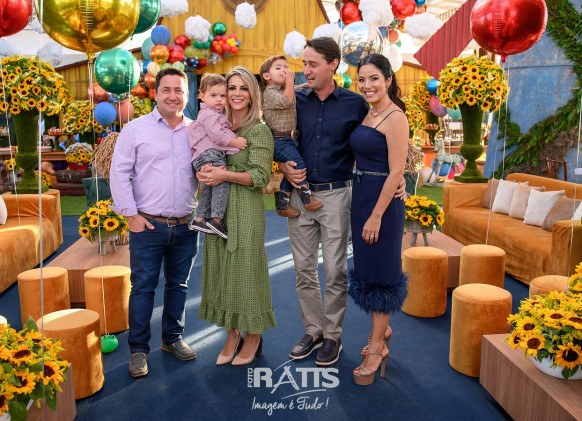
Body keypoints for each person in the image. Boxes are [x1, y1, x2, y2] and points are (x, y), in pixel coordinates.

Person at [279, 37, 406, 367]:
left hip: (337, 196)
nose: (306, 70)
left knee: (336, 271)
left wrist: (399, 175)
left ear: (333, 64)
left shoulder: (356, 103)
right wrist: (282, 166)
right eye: (304, 63)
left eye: (312, 64)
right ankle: (313, 331)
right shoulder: (295, 100)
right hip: (300, 195)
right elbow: (278, 138)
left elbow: (379, 141)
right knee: (303, 270)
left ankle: (332, 336)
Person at [109, 67, 198, 378]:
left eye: (179, 90)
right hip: (147, 225)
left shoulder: (196, 130)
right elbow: (118, 173)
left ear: (187, 95)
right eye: (166, 90)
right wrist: (130, 216)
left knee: (179, 285)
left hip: (186, 225)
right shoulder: (135, 129)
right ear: (156, 94)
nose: (173, 96)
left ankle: (172, 339)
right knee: (143, 288)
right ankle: (138, 350)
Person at [196, 66, 276, 366]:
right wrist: (203, 172)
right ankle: (232, 335)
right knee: (220, 270)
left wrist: (224, 175)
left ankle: (253, 335)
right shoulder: (217, 126)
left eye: (243, 88)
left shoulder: (258, 130)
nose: (237, 94)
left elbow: (261, 176)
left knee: (247, 271)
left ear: (252, 94)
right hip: (217, 211)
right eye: (232, 88)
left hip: (246, 208)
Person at [349, 53, 408, 385]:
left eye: (374, 78)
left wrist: (375, 216)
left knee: (383, 276)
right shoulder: (369, 111)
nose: (367, 85)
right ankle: (381, 329)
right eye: (362, 79)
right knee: (368, 270)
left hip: (381, 205)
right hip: (362, 196)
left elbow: (397, 171)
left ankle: (376, 348)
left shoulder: (396, 117)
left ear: (388, 80)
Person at [260, 55, 323, 217]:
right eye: (278, 68)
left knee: (291, 171)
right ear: (267, 76)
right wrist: (290, 80)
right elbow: (287, 101)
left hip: (290, 139)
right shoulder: (270, 92)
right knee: (298, 165)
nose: (284, 71)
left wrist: (304, 85)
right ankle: (307, 199)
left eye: (286, 67)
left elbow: (294, 90)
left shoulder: (283, 90)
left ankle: (282, 203)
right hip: (279, 140)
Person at [188, 73, 248, 238]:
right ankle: (216, 220)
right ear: (202, 96)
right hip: (210, 154)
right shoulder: (210, 115)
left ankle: (200, 218)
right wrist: (235, 142)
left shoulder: (210, 113)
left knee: (210, 186)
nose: (219, 100)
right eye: (213, 95)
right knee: (222, 182)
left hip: (203, 155)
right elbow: (217, 135)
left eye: (223, 96)